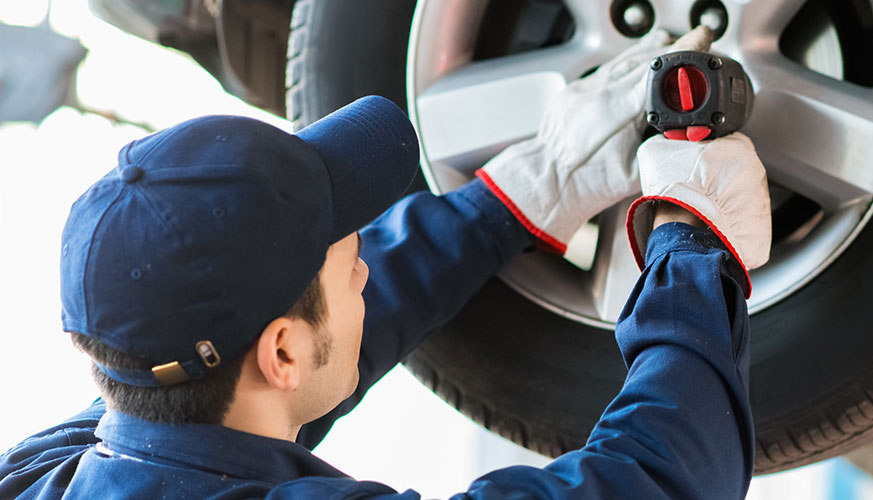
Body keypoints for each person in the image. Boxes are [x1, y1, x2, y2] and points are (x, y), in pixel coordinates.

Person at [0, 26, 771, 500]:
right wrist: (692, 245)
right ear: (281, 352)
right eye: (347, 261)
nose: (368, 264)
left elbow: (299, 351)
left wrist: (515, 196)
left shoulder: (48, 471)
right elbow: (666, 483)